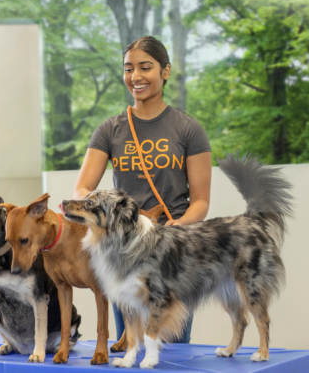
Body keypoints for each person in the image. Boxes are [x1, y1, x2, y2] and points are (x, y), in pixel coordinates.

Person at [73, 36, 212, 343]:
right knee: (130, 343)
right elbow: (83, 187)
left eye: (145, 67)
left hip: (172, 250)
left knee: (170, 344)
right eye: (128, 68)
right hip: (126, 251)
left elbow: (201, 201)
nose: (135, 77)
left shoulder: (188, 129)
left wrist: (180, 224)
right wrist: (98, 213)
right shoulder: (110, 130)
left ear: (165, 71)